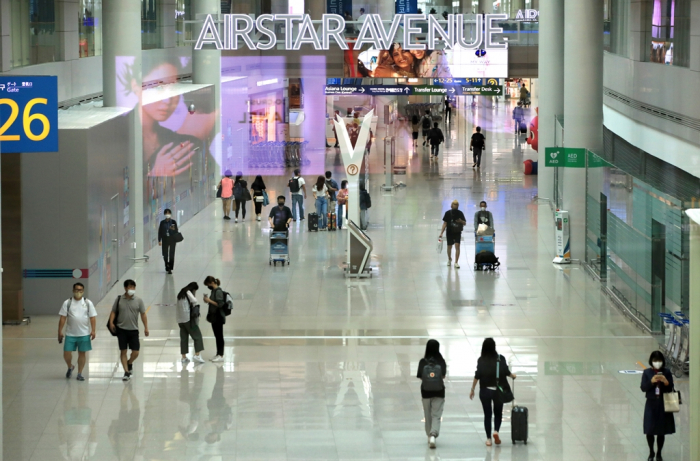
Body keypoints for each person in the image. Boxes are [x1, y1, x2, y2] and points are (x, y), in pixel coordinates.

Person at [470, 338, 516, 446]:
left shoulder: (481, 360)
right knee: (498, 413)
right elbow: (506, 372)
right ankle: (496, 431)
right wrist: (513, 376)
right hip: (498, 390)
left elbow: (477, 375)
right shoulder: (500, 359)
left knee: (487, 415)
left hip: (485, 391)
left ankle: (488, 439)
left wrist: (472, 389)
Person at [108, 280, 149, 381]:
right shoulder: (119, 299)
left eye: (133, 287)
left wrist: (146, 327)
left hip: (133, 330)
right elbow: (113, 311)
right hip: (121, 330)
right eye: (130, 287)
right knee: (123, 351)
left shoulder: (139, 300)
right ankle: (126, 372)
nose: (132, 289)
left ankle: (129, 362)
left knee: (136, 352)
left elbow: (143, 314)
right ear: (125, 288)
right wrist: (111, 322)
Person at [58, 283, 97, 381]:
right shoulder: (67, 303)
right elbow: (63, 318)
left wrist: (93, 330)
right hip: (70, 333)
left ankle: (80, 373)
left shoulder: (87, 303)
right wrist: (59, 331)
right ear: (73, 290)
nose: (78, 292)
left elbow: (92, 317)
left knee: (82, 353)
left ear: (83, 291)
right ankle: (70, 366)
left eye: (80, 290)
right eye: (76, 290)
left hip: (84, 333)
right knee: (66, 353)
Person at [641, 351, 675, 461]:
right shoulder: (647, 373)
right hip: (651, 403)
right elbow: (643, 388)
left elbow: (670, 388)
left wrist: (665, 382)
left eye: (659, 361)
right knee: (649, 429)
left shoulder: (667, 372)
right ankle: (651, 452)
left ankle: (659, 453)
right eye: (655, 361)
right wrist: (651, 382)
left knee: (661, 430)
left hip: (663, 403)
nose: (657, 363)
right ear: (651, 361)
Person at [416, 339, 447, 449]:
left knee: (427, 414)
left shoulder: (422, 362)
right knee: (436, 415)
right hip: (439, 391)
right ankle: (434, 434)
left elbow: (420, 376)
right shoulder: (441, 361)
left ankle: (429, 435)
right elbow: (443, 376)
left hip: (425, 392)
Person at [176, 282, 205, 364]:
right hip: (188, 319)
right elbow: (195, 301)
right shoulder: (188, 292)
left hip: (180, 320)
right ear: (193, 289)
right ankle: (197, 354)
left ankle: (183, 357)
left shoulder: (180, 294)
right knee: (197, 335)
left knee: (184, 338)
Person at [202, 276, 226, 362]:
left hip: (218, 316)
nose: (208, 286)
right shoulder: (213, 291)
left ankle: (221, 354)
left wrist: (209, 300)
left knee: (219, 336)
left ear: (212, 282)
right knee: (217, 336)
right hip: (214, 316)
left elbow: (220, 304)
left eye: (208, 284)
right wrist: (207, 301)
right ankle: (218, 354)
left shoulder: (218, 291)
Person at [439, 200, 467, 268]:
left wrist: (461, 221)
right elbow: (445, 223)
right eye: (454, 206)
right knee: (449, 246)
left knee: (457, 246)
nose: (455, 207)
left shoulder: (460, 213)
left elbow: (464, 223)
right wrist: (441, 233)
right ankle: (449, 259)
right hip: (449, 232)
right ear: (451, 206)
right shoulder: (447, 213)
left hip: (457, 232)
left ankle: (456, 262)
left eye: (456, 206)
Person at [158, 208, 178, 274]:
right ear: (164, 214)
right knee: (165, 254)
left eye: (168, 213)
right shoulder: (162, 223)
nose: (167, 215)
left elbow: (175, 231)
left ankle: (170, 267)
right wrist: (159, 240)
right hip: (165, 239)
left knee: (171, 254)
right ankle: (166, 265)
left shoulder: (173, 222)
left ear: (170, 214)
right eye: (166, 213)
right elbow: (160, 232)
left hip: (172, 239)